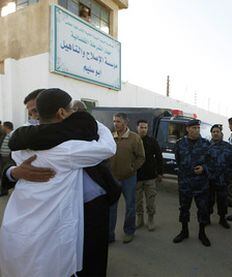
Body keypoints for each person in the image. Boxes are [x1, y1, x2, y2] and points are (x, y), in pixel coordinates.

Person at [0, 89, 116, 277]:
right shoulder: (64, 146)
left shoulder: (22, 142)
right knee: (52, 260)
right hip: (56, 217)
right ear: (61, 112)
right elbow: (108, 147)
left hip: (92, 208)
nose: (33, 116)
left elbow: (15, 150)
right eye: (30, 113)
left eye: (36, 111)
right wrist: (14, 172)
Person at [173, 119, 211, 246]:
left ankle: (202, 233)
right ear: (187, 129)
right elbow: (178, 160)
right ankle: (184, 231)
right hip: (185, 182)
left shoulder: (206, 144)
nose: (196, 130)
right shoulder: (180, 144)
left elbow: (212, 162)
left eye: (198, 128)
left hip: (201, 183)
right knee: (184, 208)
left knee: (202, 209)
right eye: (194, 128)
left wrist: (204, 168)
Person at [109, 113, 145, 243]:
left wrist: (132, 168)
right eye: (114, 121)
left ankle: (129, 231)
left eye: (118, 121)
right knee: (111, 207)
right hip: (112, 178)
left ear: (125, 122)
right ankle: (109, 234)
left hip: (129, 178)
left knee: (130, 205)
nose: (115, 124)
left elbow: (141, 157)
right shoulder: (109, 137)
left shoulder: (135, 138)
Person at [206, 124, 232, 229]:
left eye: (217, 131)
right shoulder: (206, 146)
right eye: (213, 132)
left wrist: (230, 177)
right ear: (211, 134)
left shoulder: (228, 146)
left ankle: (222, 219)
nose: (215, 133)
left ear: (221, 133)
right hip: (209, 179)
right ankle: (207, 218)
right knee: (208, 200)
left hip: (223, 180)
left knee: (222, 200)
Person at [136, 119, 163, 231]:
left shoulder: (152, 141)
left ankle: (150, 220)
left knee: (150, 201)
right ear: (137, 127)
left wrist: (160, 173)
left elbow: (159, 157)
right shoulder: (133, 140)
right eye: (141, 127)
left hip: (150, 177)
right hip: (136, 177)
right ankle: (140, 220)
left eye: (145, 128)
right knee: (137, 201)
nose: (143, 130)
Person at [0, 121, 13, 196]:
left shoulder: (13, 135)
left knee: (4, 174)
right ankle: (3, 190)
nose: (2, 127)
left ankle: (4, 190)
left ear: (6, 127)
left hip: (8, 158)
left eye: (3, 126)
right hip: (3, 157)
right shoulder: (5, 135)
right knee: (2, 173)